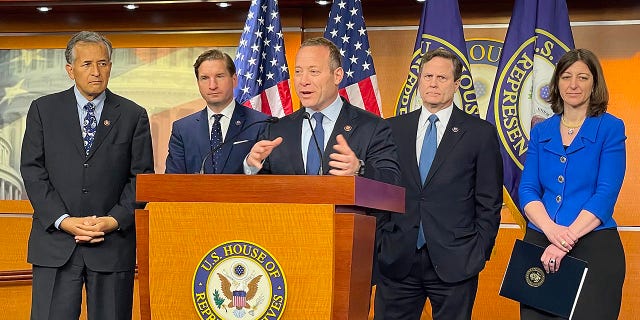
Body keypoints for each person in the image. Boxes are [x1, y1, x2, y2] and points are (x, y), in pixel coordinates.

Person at [20, 31, 154, 319]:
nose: (96, 72)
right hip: (55, 245)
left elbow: (140, 179)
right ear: (70, 70)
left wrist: (114, 220)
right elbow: (33, 170)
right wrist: (64, 220)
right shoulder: (43, 110)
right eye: (87, 64)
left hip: (112, 245)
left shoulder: (133, 115)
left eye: (103, 64)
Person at [374, 48, 503, 320]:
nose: (433, 83)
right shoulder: (391, 129)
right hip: (398, 258)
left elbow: (489, 201)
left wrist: (478, 251)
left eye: (442, 78)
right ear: (419, 80)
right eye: (428, 76)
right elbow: (381, 190)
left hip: (456, 261)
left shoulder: (479, 133)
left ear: (456, 85)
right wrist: (382, 240)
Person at [519, 48, 626, 320]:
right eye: (566, 77)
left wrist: (563, 241)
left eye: (582, 77)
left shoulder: (611, 128)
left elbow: (605, 194)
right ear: (556, 84)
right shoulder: (541, 130)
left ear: (595, 84)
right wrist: (550, 230)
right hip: (540, 242)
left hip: (594, 248)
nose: (573, 85)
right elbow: (528, 189)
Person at [244, 37, 399, 186]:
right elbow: (260, 189)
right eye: (298, 72)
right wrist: (251, 166)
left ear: (337, 76)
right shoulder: (276, 130)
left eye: (314, 72)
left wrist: (359, 169)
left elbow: (391, 180)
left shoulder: (372, 127)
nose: (303, 81)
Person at [165, 49, 268, 174]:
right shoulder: (182, 129)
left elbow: (270, 177)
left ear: (234, 80)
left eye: (219, 76)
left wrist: (249, 167)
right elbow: (172, 182)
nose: (212, 85)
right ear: (198, 83)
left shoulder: (261, 124)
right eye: (204, 78)